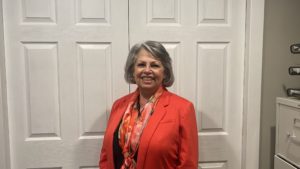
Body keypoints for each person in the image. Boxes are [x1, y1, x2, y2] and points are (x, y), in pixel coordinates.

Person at [99, 40, 198, 169]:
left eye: (155, 65)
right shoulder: (118, 105)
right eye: (141, 64)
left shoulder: (183, 109)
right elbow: (106, 157)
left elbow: (188, 164)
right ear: (132, 71)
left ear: (165, 72)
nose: (147, 70)